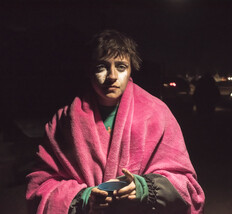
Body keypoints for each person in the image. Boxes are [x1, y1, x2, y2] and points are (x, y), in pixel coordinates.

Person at [26, 29, 205, 214]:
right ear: (88, 71)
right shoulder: (63, 122)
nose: (112, 76)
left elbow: (187, 185)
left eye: (120, 66)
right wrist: (84, 198)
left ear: (130, 69)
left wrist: (145, 188)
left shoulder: (157, 113)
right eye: (101, 67)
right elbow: (41, 184)